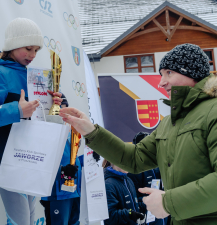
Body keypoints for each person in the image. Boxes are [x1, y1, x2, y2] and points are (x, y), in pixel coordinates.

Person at [59, 43, 217, 225]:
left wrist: (168, 202)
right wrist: (91, 131)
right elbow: (134, 158)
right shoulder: (169, 123)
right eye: (161, 75)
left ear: (191, 73)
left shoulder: (213, 112)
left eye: (169, 73)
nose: (161, 82)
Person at [0, 18, 63, 225]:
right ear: (13, 46)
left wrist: (56, 103)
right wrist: (16, 109)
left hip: (32, 157)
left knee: (30, 219)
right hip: (8, 160)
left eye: (36, 50)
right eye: (28, 48)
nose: (33, 55)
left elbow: (41, 117)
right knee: (20, 221)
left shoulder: (35, 77)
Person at [40, 94, 82, 225]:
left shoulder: (70, 130)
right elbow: (41, 161)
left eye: (65, 110)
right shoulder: (44, 131)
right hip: (57, 192)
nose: (63, 115)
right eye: (59, 111)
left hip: (74, 190)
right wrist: (62, 171)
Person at [128, 132, 168, 225]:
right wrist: (147, 202)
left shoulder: (158, 164)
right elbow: (134, 197)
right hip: (147, 215)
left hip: (162, 214)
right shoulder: (134, 170)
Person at [102, 159, 146, 225]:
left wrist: (146, 204)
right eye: (125, 160)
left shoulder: (129, 180)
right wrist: (129, 214)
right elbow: (109, 217)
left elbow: (133, 205)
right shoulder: (108, 184)